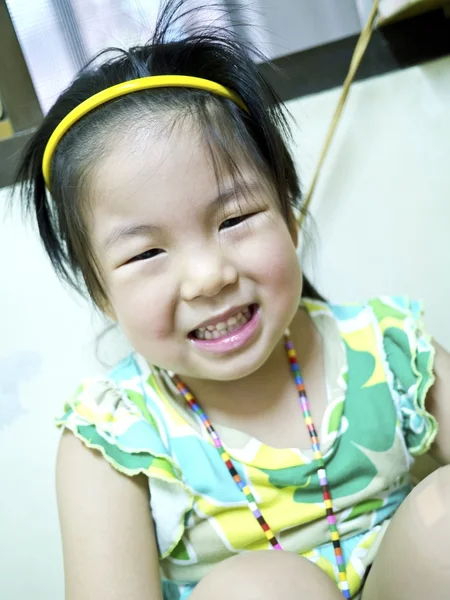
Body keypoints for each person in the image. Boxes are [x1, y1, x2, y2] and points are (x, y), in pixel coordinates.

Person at [17, 1, 450, 599]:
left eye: (236, 218)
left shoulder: (387, 347)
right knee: (261, 588)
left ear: (290, 219)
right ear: (101, 292)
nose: (207, 276)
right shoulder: (115, 440)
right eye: (146, 254)